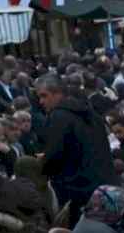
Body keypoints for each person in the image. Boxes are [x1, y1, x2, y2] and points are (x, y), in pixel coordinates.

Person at [37, 75, 119, 224]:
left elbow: (55, 155)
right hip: (106, 186)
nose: (40, 101)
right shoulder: (89, 112)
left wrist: (43, 163)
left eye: (44, 96)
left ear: (58, 94)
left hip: (80, 192)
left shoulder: (58, 116)